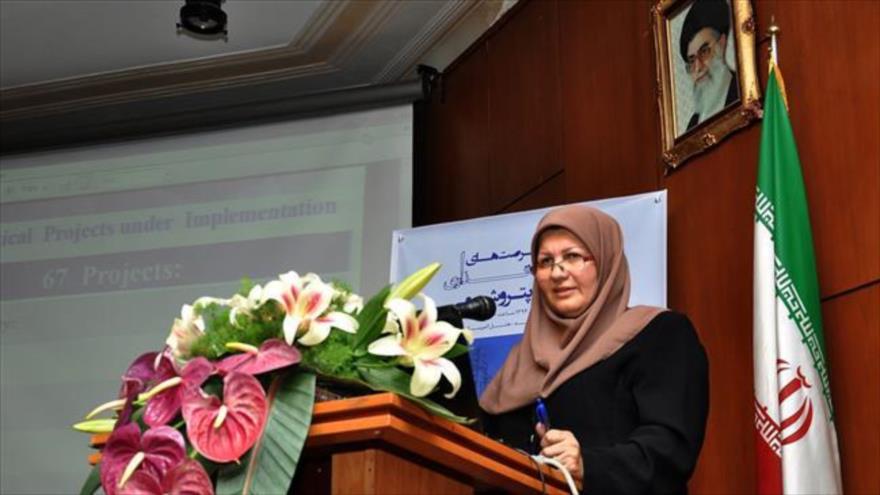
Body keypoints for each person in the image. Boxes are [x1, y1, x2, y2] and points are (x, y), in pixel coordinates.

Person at [480, 205, 709, 494]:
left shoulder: (658, 335)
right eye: (545, 261)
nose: (558, 272)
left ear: (605, 261)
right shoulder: (518, 363)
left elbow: (671, 450)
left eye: (573, 256)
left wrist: (588, 465)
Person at [680, 0, 739, 132]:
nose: (698, 67)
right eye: (692, 60)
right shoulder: (693, 125)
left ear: (722, 43)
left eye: (704, 51)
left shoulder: (741, 95)